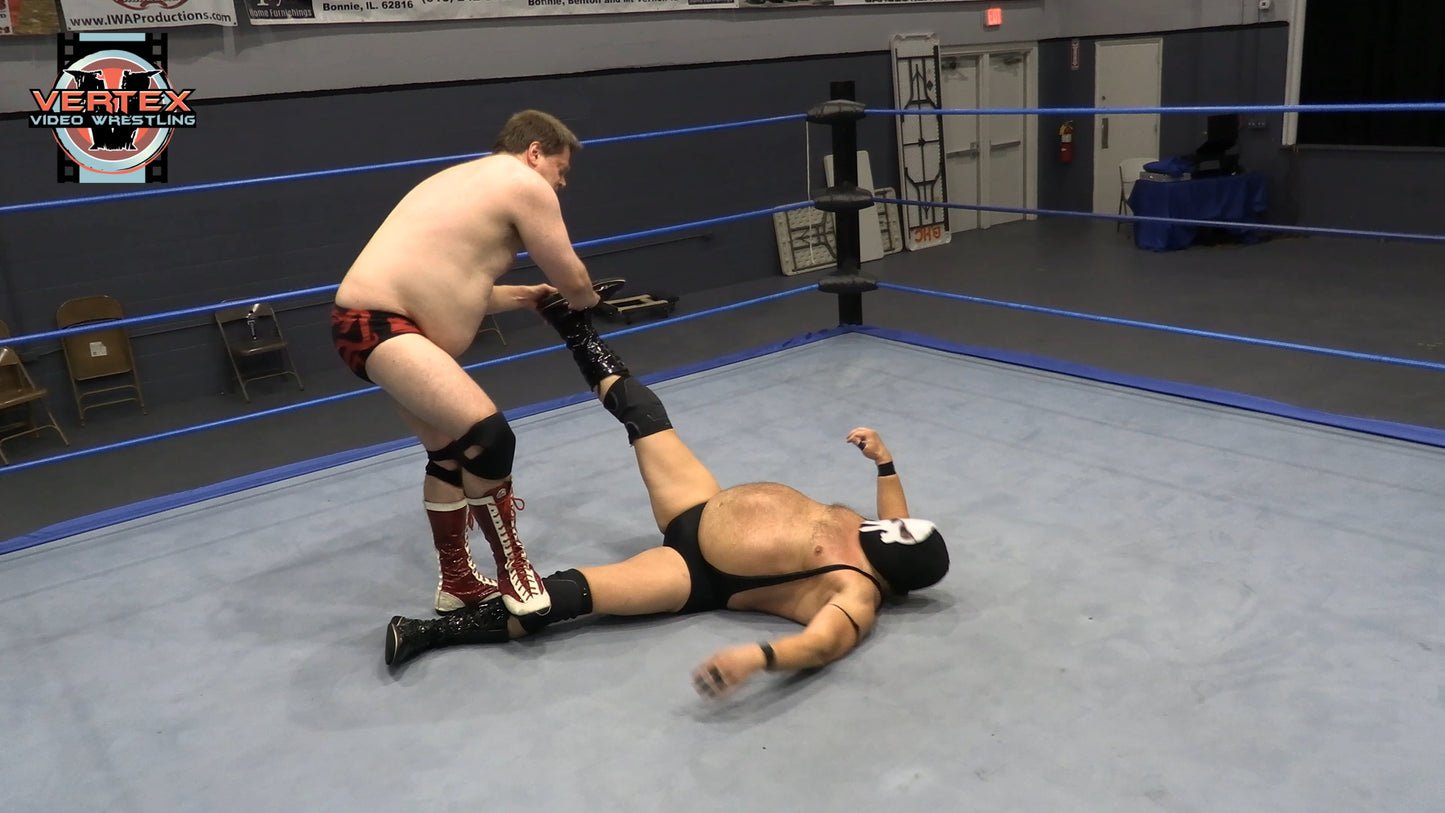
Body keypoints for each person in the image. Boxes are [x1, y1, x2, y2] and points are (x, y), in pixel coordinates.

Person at [385, 302, 949, 700]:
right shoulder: (886, 537)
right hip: (700, 505)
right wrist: (885, 462)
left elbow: (823, 644)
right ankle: (572, 324)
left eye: (899, 532)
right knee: (643, 412)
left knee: (562, 596)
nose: (892, 523)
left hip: (696, 574)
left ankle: (427, 633)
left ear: (897, 570)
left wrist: (757, 658)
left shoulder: (857, 593)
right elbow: (898, 515)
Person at [332, 110, 617, 619]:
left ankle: (458, 582)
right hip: (383, 325)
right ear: (534, 152)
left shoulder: (467, 181)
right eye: (560, 168)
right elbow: (570, 273)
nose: (562, 182)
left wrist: (525, 296)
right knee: (490, 437)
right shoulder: (522, 183)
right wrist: (587, 301)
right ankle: (514, 571)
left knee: (448, 455)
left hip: (370, 324)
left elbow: (454, 288)